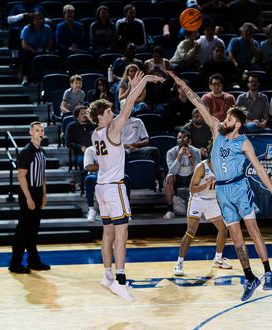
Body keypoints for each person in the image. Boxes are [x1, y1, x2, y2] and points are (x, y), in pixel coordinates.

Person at [168, 70, 272, 302]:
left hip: (240, 187)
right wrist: (181, 83)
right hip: (221, 191)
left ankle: (268, 271)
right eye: (226, 118)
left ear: (238, 124)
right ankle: (250, 277)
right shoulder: (216, 128)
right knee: (236, 238)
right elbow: (197, 101)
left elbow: (260, 169)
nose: (225, 121)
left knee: (253, 231)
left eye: (230, 119)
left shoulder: (244, 142)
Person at [87, 71, 163, 301]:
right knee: (122, 233)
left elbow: (124, 104)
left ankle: (107, 275)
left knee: (107, 232)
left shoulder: (95, 134)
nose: (113, 113)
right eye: (108, 111)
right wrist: (144, 82)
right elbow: (128, 105)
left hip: (101, 187)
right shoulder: (112, 129)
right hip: (114, 188)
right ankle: (120, 282)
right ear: (101, 116)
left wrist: (131, 88)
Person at [173, 150, 232, 276]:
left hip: (212, 200)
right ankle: (179, 263)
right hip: (197, 199)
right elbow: (192, 189)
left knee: (223, 229)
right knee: (190, 232)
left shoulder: (223, 167)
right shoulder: (201, 167)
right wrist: (206, 184)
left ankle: (218, 259)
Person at [9, 122, 50, 274]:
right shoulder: (27, 151)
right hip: (28, 192)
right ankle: (15, 263)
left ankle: (33, 261)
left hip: (38, 191)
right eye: (37, 130)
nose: (40, 132)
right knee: (23, 231)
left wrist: (44, 194)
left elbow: (43, 175)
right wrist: (28, 197)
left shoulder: (41, 151)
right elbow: (21, 176)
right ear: (31, 133)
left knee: (33, 230)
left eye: (42, 130)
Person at [83, 146, 132, 223]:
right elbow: (89, 167)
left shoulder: (116, 148)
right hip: (97, 175)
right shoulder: (90, 149)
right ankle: (91, 210)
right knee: (89, 179)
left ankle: (125, 209)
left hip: (114, 174)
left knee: (126, 178)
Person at [164, 130, 201, 219]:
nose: (181, 139)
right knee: (169, 177)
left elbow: (198, 170)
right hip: (178, 177)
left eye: (184, 137)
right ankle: (170, 210)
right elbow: (172, 171)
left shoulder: (196, 151)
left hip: (191, 177)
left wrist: (189, 155)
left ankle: (200, 208)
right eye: (179, 137)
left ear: (189, 140)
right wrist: (179, 156)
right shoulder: (171, 152)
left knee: (202, 177)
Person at [20, 12, 53, 86]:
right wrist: (34, 51)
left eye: (41, 19)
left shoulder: (47, 28)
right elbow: (24, 44)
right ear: (32, 20)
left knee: (51, 55)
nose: (39, 21)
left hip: (43, 49)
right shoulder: (27, 29)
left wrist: (47, 49)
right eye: (36, 19)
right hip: (31, 50)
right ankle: (25, 78)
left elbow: (50, 42)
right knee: (25, 54)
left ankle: (47, 78)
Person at [65, 105, 96, 170]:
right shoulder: (71, 126)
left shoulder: (93, 125)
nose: (84, 115)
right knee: (83, 161)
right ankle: (87, 178)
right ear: (77, 116)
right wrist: (80, 147)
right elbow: (68, 143)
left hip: (95, 152)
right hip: (81, 153)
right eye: (82, 114)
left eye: (86, 113)